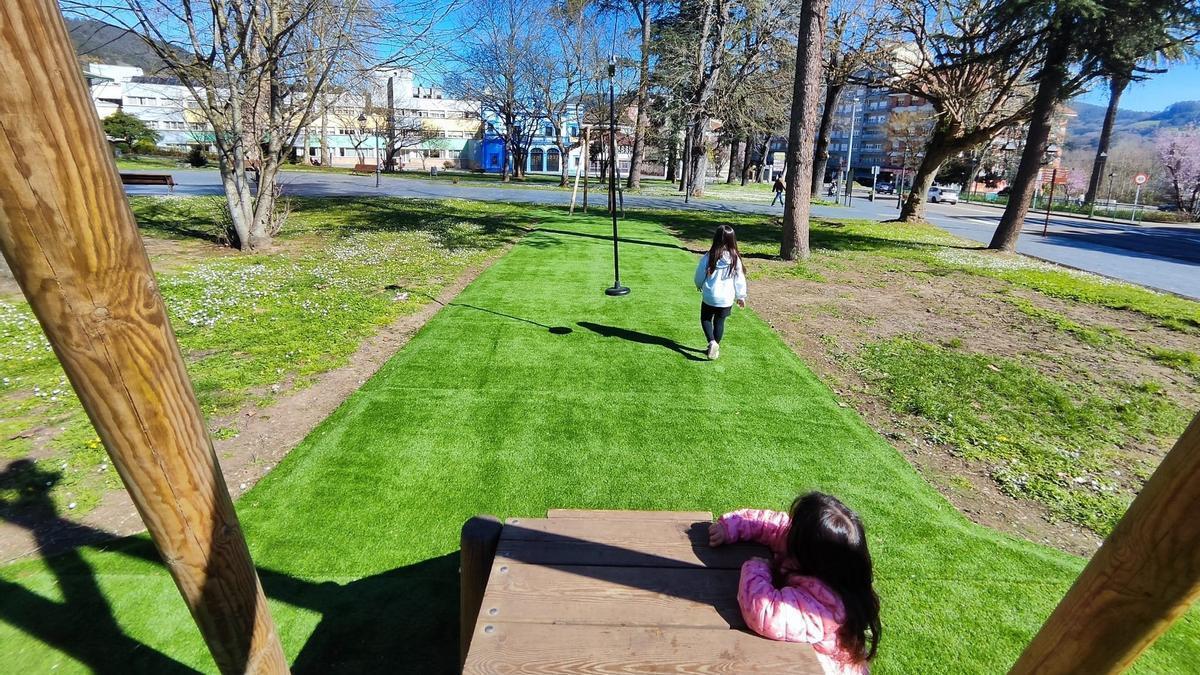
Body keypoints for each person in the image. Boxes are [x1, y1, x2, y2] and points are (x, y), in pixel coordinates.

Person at [709, 492, 881, 675]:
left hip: (820, 667)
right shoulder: (822, 553)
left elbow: (763, 611)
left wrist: (757, 568)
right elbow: (772, 525)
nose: (788, 531)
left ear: (807, 552)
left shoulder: (823, 606)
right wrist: (730, 527)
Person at [693, 225, 747, 360]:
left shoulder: (709, 256)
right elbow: (739, 278)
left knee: (705, 318)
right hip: (726, 298)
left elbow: (699, 274)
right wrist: (741, 296)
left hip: (710, 296)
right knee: (719, 322)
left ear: (716, 239)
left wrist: (699, 284)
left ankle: (711, 342)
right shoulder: (735, 259)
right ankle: (716, 344)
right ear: (732, 240)